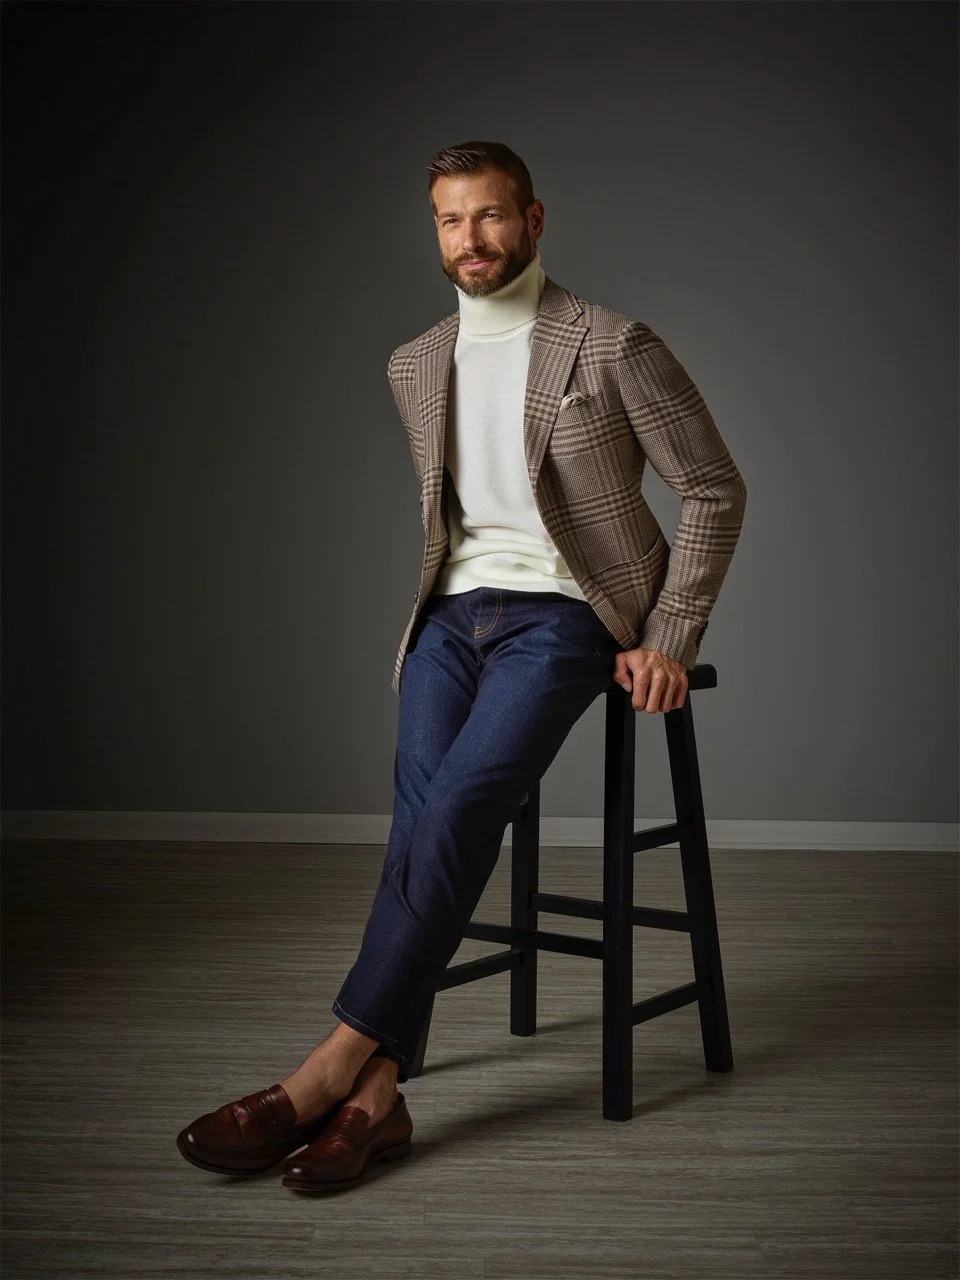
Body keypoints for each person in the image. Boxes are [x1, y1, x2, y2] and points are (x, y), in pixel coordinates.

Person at [177, 139, 747, 1193]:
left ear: (534, 222)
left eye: (490, 216)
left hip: (568, 616)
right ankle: (379, 1099)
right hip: (447, 619)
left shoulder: (613, 343)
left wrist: (670, 632)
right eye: (451, 220)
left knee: (461, 802)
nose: (471, 239)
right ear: (434, 230)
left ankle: (324, 1072)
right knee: (423, 812)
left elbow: (712, 486)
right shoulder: (414, 362)